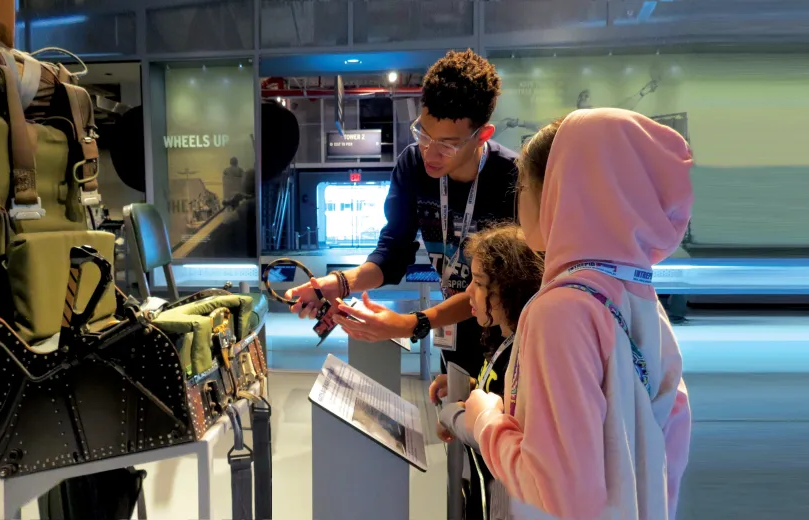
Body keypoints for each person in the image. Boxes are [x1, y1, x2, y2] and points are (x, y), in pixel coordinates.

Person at [462, 108, 694, 520]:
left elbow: (560, 494)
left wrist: (484, 418)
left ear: (559, 191)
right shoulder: (641, 299)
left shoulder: (560, 312)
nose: (520, 200)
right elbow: (667, 453)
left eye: (525, 185)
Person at [284, 49, 519, 378]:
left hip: (507, 342)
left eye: (448, 144)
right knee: (449, 417)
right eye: (423, 133)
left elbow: (497, 289)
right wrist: (338, 283)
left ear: (482, 134)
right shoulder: (412, 166)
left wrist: (413, 323)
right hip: (451, 338)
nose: (429, 153)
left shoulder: (511, 179)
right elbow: (393, 253)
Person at [431, 224, 544, 520]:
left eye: (479, 282)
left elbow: (496, 430)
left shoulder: (521, 356)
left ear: (507, 292)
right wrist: (469, 387)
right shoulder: (505, 342)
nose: (468, 290)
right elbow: (499, 398)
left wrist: (451, 417)